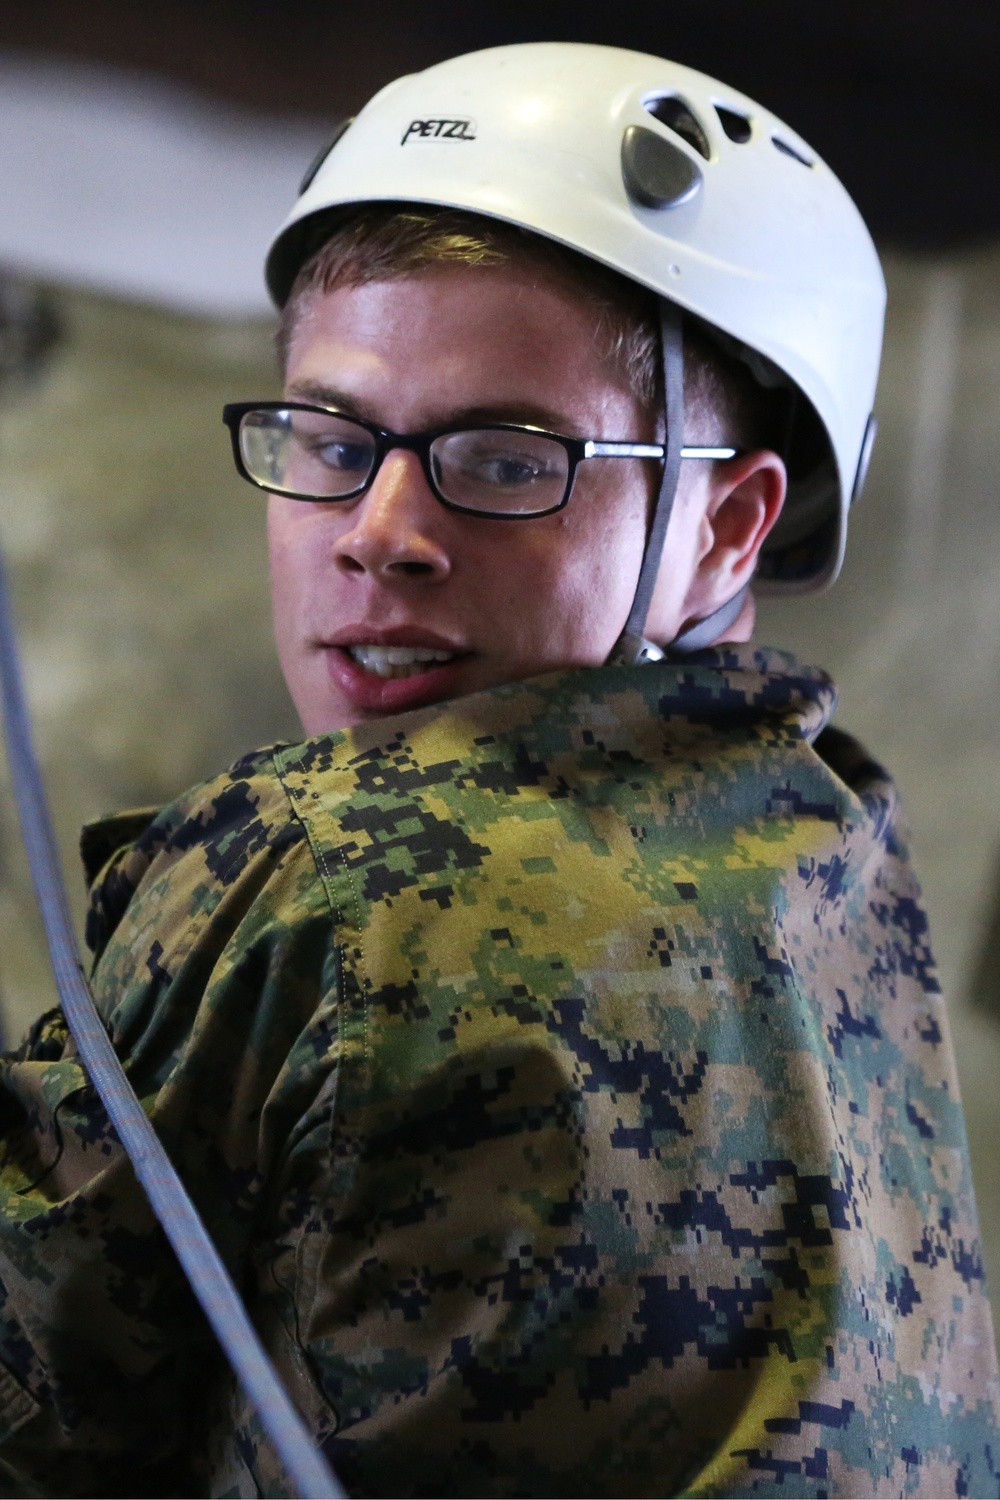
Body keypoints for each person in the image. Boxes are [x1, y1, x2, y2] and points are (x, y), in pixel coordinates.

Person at [0, 41, 996, 1499]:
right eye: (333, 441)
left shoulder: (318, 859)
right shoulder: (834, 857)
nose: (380, 529)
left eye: (507, 458)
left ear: (728, 527)